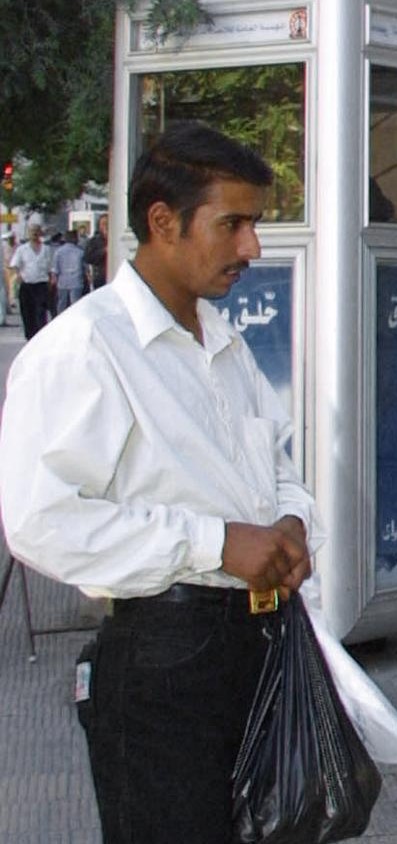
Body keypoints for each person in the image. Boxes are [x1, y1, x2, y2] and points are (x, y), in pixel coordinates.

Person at [0, 122, 322, 841]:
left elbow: (274, 467)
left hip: (258, 645)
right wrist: (213, 543)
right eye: (232, 224)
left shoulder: (224, 344)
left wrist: (292, 525)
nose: (252, 248)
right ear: (162, 222)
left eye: (256, 225)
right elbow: (40, 521)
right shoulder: (84, 349)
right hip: (163, 665)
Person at [8, 223, 52, 338]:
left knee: (41, 312)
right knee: (28, 313)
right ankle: (30, 336)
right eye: (32, 231)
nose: (34, 233)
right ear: (28, 233)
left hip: (41, 284)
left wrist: (52, 280)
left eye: (36, 231)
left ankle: (40, 336)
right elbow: (15, 264)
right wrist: (18, 275)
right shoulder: (22, 249)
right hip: (27, 284)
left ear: (40, 233)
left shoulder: (46, 249)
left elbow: (50, 267)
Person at [49, 228, 87, 312]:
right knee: (75, 304)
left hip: (62, 281)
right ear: (75, 238)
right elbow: (85, 267)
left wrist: (53, 279)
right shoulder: (80, 252)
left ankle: (60, 320)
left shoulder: (58, 251)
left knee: (61, 303)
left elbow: (55, 268)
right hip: (76, 281)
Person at [83, 213, 109, 290]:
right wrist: (103, 251)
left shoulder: (117, 238)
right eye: (103, 224)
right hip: (100, 277)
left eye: (107, 224)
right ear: (99, 226)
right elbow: (88, 258)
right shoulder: (94, 241)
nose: (106, 226)